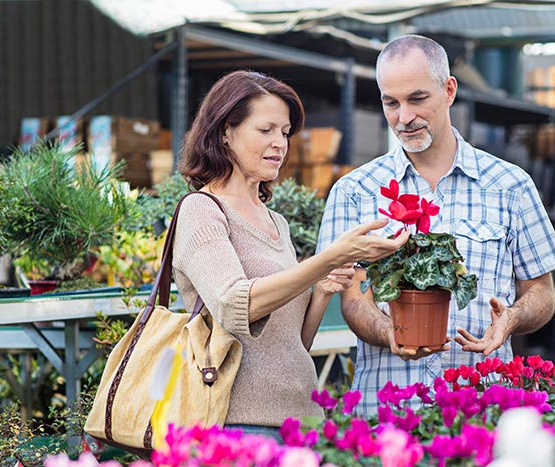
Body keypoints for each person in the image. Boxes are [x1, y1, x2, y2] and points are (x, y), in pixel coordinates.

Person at [317, 35, 555, 416]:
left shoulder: (510, 185)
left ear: (449, 90)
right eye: (391, 103)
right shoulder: (354, 191)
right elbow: (351, 297)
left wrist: (511, 319)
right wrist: (388, 332)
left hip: (482, 406)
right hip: (385, 410)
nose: (404, 117)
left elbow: (542, 292)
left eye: (418, 99)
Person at [172, 70, 409, 440]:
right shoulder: (202, 211)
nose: (279, 143)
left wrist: (322, 290)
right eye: (265, 130)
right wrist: (325, 260)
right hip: (239, 426)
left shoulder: (275, 222)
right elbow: (237, 306)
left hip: (301, 421)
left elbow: (295, 344)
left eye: (285, 133)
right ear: (224, 132)